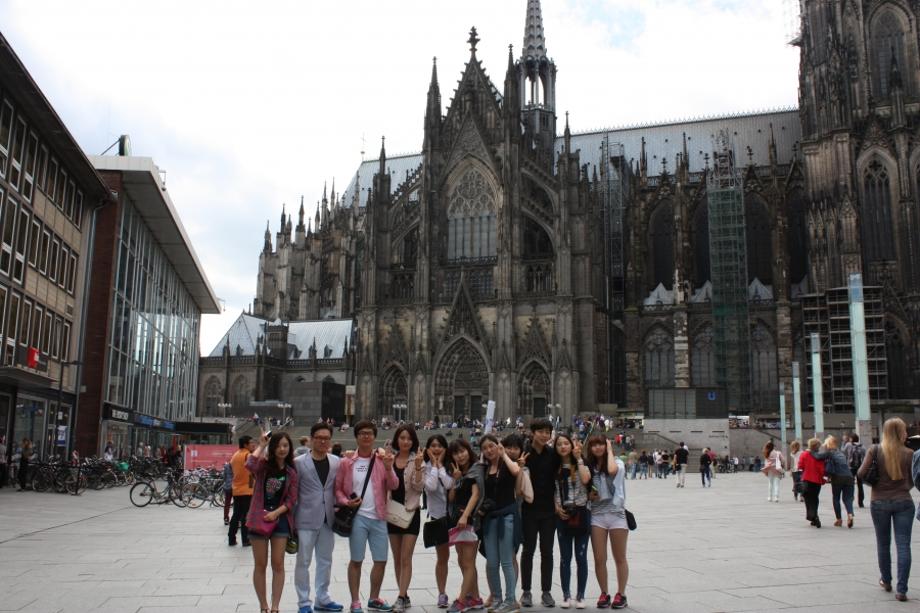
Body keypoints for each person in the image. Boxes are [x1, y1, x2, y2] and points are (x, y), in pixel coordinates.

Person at [334, 420, 398, 613]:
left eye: (369, 433)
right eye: (362, 433)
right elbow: (338, 490)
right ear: (356, 437)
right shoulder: (346, 462)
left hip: (379, 516)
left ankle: (373, 598)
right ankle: (355, 601)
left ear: (374, 437)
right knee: (356, 560)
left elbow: (394, 485)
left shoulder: (381, 460)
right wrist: (346, 502)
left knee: (381, 560)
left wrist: (389, 467)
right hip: (358, 518)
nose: (366, 436)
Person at [858, 417, 915, 602]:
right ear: (900, 432)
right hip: (904, 501)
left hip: (879, 501)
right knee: (903, 545)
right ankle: (902, 590)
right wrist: (905, 486)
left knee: (883, 544)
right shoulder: (910, 453)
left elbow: (861, 473)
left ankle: (886, 580)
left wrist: (875, 484)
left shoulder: (875, 450)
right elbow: (914, 478)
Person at [246, 431, 299, 613]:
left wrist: (276, 513)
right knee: (260, 565)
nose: (282, 449)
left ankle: (275, 606)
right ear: (273, 447)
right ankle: (263, 606)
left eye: (285, 445)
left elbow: (291, 500)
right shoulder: (263, 466)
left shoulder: (291, 472)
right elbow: (249, 464)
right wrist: (261, 445)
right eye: (278, 445)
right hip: (258, 519)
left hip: (280, 520)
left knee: (278, 564)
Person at [294, 422, 344, 613]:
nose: (323, 441)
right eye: (319, 438)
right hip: (305, 518)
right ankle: (304, 602)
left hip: (328, 519)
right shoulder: (299, 462)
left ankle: (322, 598)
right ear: (311, 439)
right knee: (303, 562)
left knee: (325, 560)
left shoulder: (336, 461)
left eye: (326, 438)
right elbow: (293, 492)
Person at [479, 434, 522, 613]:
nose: (489, 450)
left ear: (498, 446)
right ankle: (497, 598)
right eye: (485, 448)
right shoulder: (484, 468)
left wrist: (504, 454)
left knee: (506, 561)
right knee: (491, 562)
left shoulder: (507, 464)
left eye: (492, 446)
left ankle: (510, 599)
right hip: (490, 520)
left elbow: (517, 471)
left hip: (507, 518)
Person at [520, 418, 560, 608]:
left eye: (548, 432)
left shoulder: (552, 454)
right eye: (541, 431)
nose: (545, 435)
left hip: (548, 511)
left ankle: (546, 592)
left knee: (547, 552)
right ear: (532, 432)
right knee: (528, 551)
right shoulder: (524, 452)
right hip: (528, 510)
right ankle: (526, 591)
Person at [585, 436, 628, 610]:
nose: (598, 448)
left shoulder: (617, 462)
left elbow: (611, 471)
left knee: (620, 558)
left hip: (616, 514)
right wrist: (590, 496)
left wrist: (609, 450)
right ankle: (604, 592)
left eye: (601, 444)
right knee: (599, 558)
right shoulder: (589, 466)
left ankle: (621, 594)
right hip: (597, 515)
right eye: (594, 445)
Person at [387, 426, 424, 613]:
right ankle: (405, 594)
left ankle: (401, 597)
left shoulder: (418, 460)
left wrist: (417, 467)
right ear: (397, 439)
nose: (405, 441)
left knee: (405, 557)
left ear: (413, 441)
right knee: (397, 558)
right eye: (402, 437)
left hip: (410, 513)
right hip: (392, 513)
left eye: (409, 438)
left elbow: (419, 487)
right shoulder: (390, 459)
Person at [446, 438, 484, 613]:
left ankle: (462, 600)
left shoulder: (476, 469)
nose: (460, 456)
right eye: (456, 453)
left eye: (462, 451)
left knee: (468, 561)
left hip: (470, 520)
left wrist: (465, 516)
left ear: (468, 450)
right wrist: (456, 480)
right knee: (462, 560)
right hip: (458, 521)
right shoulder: (458, 472)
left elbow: (476, 495)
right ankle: (475, 598)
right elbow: (451, 498)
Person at [553, 433, 591, 609]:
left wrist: (579, 458)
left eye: (566, 443)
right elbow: (552, 490)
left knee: (581, 557)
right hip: (563, 515)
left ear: (571, 445)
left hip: (581, 513)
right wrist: (556, 507)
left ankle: (581, 595)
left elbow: (586, 479)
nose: (563, 447)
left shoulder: (581, 463)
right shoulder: (555, 467)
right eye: (559, 444)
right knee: (565, 557)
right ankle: (566, 594)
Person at [422, 435, 454, 609]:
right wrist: (434, 465)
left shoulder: (451, 465)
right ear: (428, 448)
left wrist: (440, 465)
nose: (436, 449)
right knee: (442, 557)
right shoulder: (424, 466)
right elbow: (431, 487)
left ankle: (469, 592)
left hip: (456, 516)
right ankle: (442, 593)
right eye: (433, 445)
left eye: (440, 445)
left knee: (465, 557)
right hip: (438, 517)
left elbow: (449, 484)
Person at [815, 436, 855, 528]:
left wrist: (810, 451)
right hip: (849, 477)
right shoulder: (841, 454)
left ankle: (839, 519)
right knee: (848, 498)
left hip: (837, 477)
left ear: (828, 445)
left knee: (836, 498)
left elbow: (817, 457)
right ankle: (850, 514)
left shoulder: (829, 453)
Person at [229, 435, 258, 546]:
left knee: (236, 515)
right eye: (251, 443)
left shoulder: (235, 455)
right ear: (246, 444)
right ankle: (246, 539)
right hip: (247, 490)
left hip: (236, 489)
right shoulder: (248, 455)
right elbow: (254, 471)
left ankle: (231, 538)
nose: (253, 445)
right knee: (246, 515)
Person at [798, 438, 826, 528]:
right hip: (817, 481)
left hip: (807, 480)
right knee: (815, 498)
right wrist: (823, 479)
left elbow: (800, 466)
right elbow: (822, 469)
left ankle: (813, 517)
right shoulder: (819, 456)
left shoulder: (804, 454)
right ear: (816, 446)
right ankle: (814, 516)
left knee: (808, 499)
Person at [845, 433, 867, 508]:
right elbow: (865, 457)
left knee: (851, 485)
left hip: (851, 468)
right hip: (860, 468)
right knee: (860, 485)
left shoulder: (848, 445)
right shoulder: (862, 446)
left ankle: (850, 500)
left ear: (851, 439)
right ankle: (861, 502)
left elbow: (844, 452)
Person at [223, 460, 234, 526]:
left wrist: (227, 482)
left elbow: (224, 477)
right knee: (236, 504)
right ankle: (236, 519)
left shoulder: (226, 466)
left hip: (227, 487)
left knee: (227, 504)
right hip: (235, 487)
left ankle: (226, 518)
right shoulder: (236, 465)